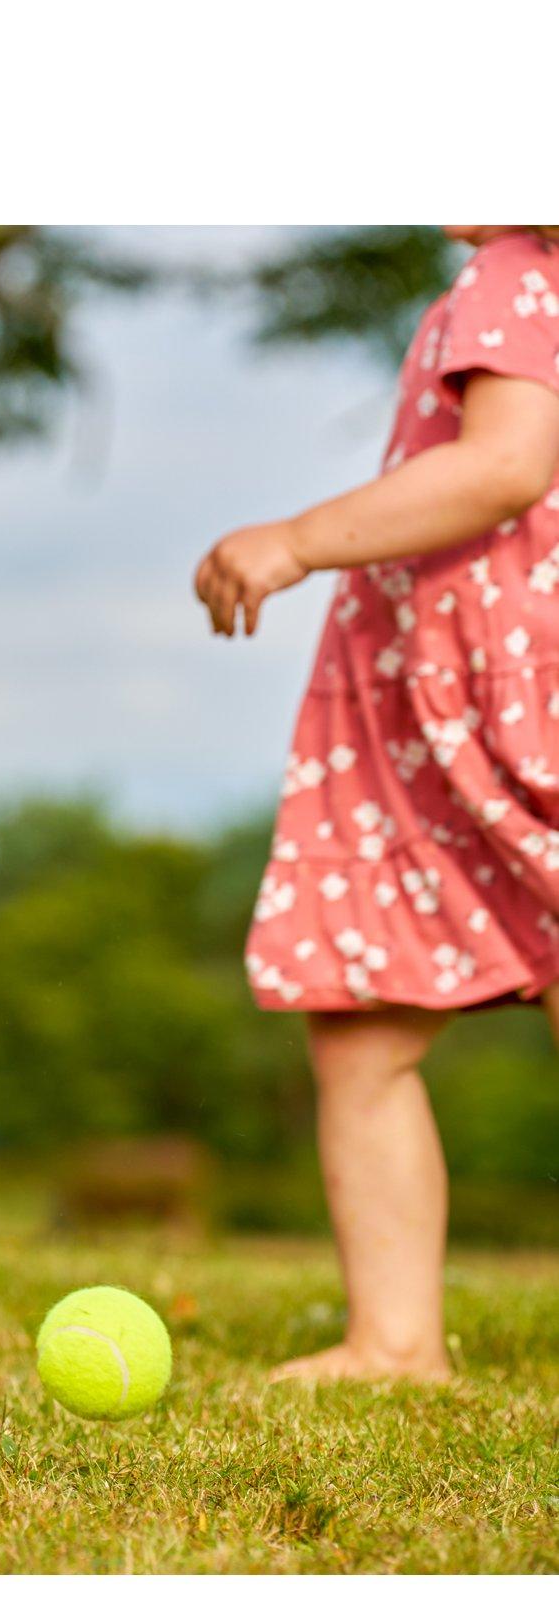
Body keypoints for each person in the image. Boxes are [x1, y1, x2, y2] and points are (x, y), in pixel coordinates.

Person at [195, 227, 559, 1383]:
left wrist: (297, 539)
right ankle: (394, 1339)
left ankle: (399, 1337)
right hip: (432, 714)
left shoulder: (521, 276)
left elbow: (507, 464)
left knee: (368, 1016)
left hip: (500, 705)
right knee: (362, 1017)